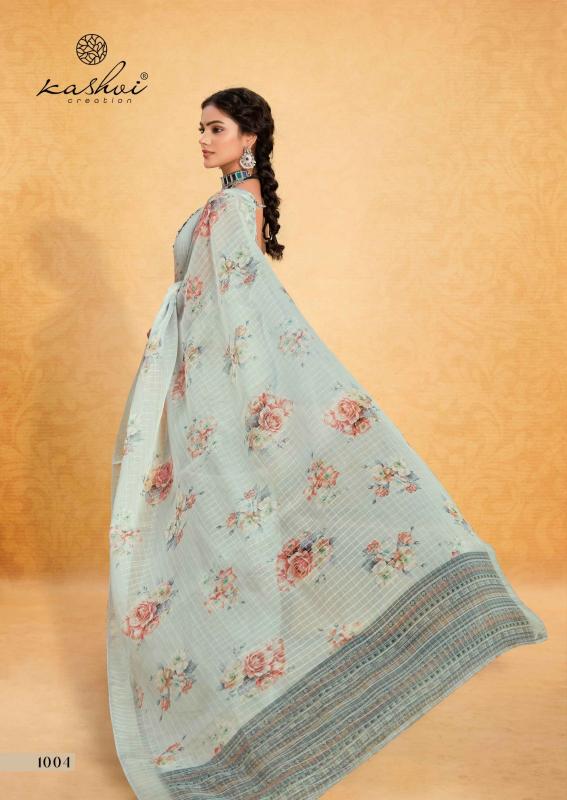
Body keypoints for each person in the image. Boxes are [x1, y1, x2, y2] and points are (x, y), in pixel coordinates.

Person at [106, 87, 548, 800]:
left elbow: (242, 311)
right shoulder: (235, 204)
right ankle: (246, 676)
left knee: (231, 530)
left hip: (220, 394)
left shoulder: (231, 208)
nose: (203, 139)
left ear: (249, 138)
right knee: (232, 529)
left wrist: (252, 399)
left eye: (215, 128)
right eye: (200, 128)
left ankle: (247, 685)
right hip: (205, 390)